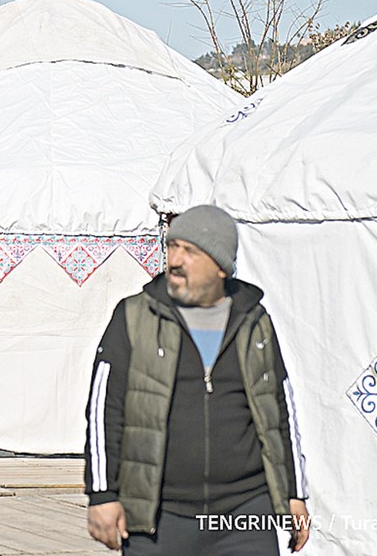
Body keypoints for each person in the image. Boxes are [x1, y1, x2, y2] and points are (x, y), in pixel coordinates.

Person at [84, 205, 310, 554]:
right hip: (159, 517)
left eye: (190, 251)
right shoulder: (135, 317)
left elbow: (280, 409)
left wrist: (293, 494)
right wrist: (102, 494)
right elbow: (104, 411)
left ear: (220, 266)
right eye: (172, 247)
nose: (175, 260)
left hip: (244, 514)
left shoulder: (254, 320)